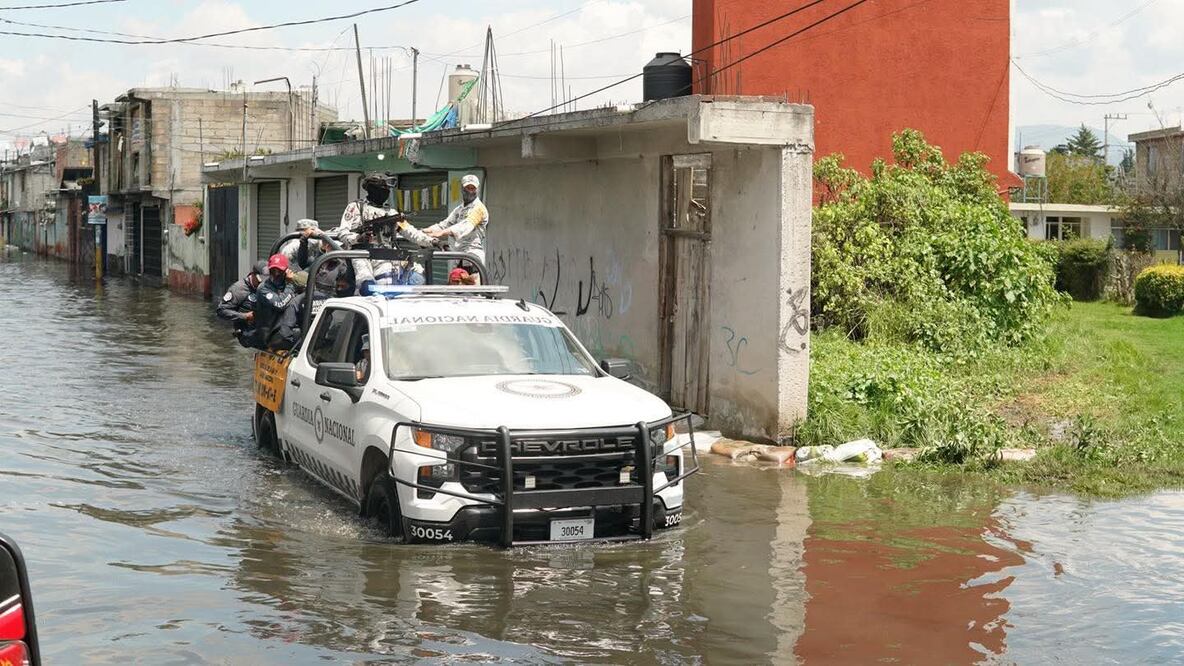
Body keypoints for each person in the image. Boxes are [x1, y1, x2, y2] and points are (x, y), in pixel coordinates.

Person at [323, 173, 432, 293]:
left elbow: (411, 231)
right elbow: (342, 232)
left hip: (389, 254)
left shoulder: (391, 213)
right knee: (368, 286)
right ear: (372, 190)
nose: (386, 193)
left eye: (387, 190)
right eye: (382, 190)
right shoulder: (356, 208)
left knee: (418, 279)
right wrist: (359, 238)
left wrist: (432, 241)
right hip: (362, 254)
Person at [423, 174, 489, 265]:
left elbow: (466, 226)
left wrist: (442, 233)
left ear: (477, 190)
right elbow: (444, 225)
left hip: (473, 257)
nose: (470, 191)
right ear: (462, 189)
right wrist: (425, 231)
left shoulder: (479, 208)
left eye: (473, 188)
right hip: (459, 256)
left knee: (472, 279)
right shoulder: (459, 209)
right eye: (467, 188)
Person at [251, 253, 302, 351]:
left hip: (284, 329)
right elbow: (280, 304)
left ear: (286, 271)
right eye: (273, 271)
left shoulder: (288, 283)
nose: (276, 274)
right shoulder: (264, 288)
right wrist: (290, 285)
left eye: (279, 271)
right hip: (271, 335)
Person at [217, 261, 266, 344]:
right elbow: (221, 311)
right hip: (247, 331)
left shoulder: (268, 286)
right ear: (253, 275)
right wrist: (245, 316)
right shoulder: (238, 289)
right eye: (259, 282)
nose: (262, 284)